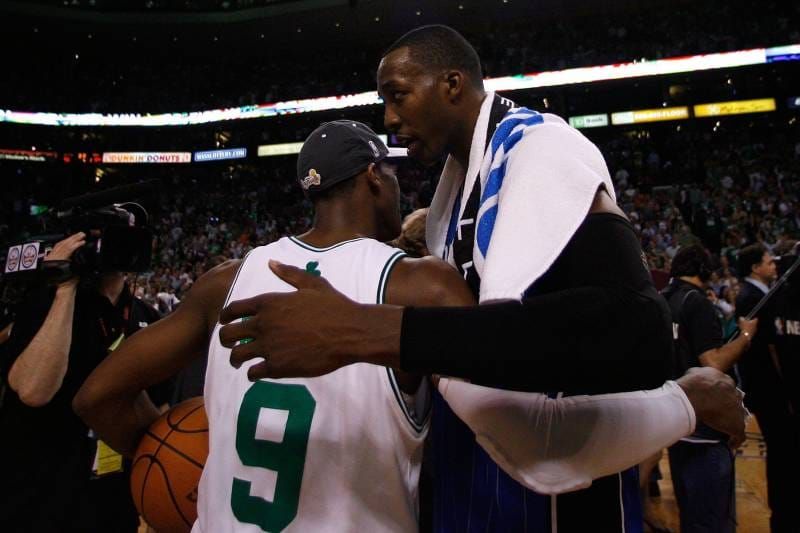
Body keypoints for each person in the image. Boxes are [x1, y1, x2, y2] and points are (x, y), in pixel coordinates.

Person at [217, 26, 748, 532]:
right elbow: (478, 347)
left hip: (558, 501)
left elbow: (635, 328)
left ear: (452, 84)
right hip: (478, 479)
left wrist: (359, 330)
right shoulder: (451, 195)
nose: (390, 118)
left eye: (398, 96)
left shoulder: (538, 146)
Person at [82, 122, 730, 532]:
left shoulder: (226, 279)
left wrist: (171, 449)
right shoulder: (421, 285)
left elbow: (97, 396)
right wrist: (683, 401)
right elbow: (532, 436)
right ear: (374, 177)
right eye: (392, 175)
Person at [0, 232, 166, 533]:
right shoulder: (45, 304)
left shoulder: (147, 316)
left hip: (113, 505)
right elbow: (33, 391)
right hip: (42, 501)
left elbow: (158, 417)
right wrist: (64, 288)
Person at [661, 244, 757, 533]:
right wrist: (745, 336)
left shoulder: (663, 299)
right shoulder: (698, 303)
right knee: (712, 520)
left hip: (674, 422)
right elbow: (712, 364)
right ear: (703, 269)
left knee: (690, 516)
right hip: (706, 427)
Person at [736, 243, 795, 532]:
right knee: (782, 452)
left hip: (766, 387)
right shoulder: (753, 297)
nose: (774, 265)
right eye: (769, 261)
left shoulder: (761, 293)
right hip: (768, 387)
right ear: (755, 267)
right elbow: (767, 348)